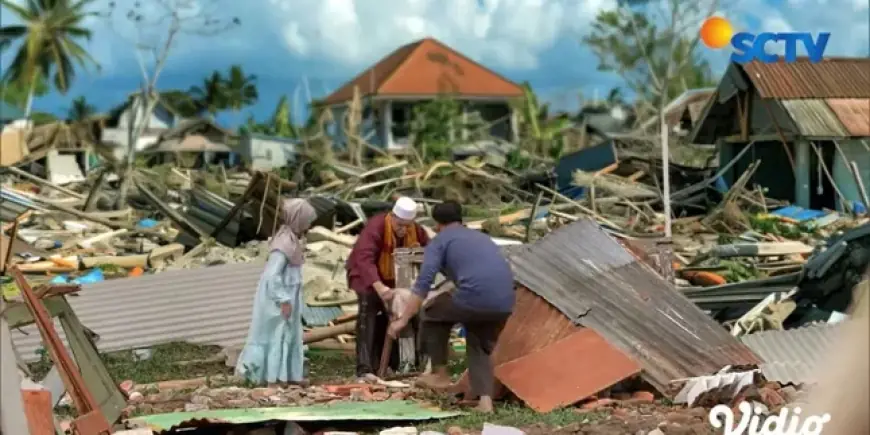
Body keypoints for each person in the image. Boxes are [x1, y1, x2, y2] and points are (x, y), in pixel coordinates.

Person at [388, 200, 515, 413]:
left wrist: (402, 320)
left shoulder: (439, 242)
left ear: (437, 224)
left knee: (431, 310)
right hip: (505, 301)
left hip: (475, 297)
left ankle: (439, 373)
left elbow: (423, 283)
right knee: (478, 345)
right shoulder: (482, 238)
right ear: (461, 219)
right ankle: (485, 403)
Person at [346, 196, 430, 379]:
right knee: (368, 319)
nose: (402, 230)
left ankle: (394, 365)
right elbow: (364, 259)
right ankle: (365, 369)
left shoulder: (416, 231)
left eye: (407, 226)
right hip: (367, 279)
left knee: (395, 321)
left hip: (398, 281)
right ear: (392, 217)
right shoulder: (376, 227)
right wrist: (380, 287)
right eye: (399, 225)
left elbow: (430, 251)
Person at [236, 198, 317, 386]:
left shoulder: (292, 239)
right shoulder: (283, 243)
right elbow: (272, 275)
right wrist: (283, 299)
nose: (309, 224)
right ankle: (272, 378)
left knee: (287, 334)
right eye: (306, 219)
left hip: (287, 295)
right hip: (277, 298)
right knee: (276, 335)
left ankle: (288, 375)